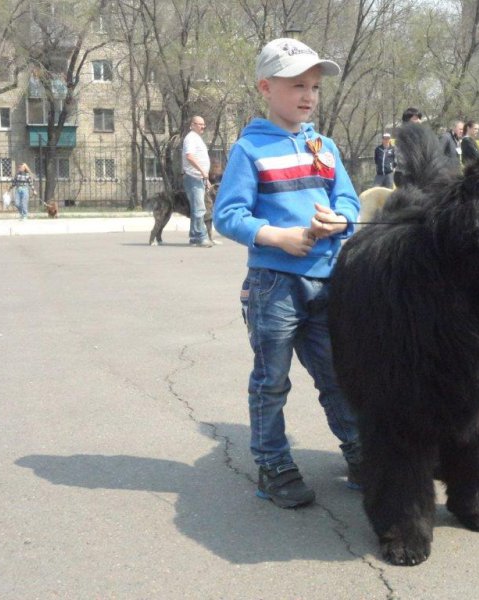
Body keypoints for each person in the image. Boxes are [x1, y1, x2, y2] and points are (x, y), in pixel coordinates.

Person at [213, 38, 362, 509]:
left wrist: (340, 220)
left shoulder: (324, 144)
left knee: (338, 374)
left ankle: (360, 451)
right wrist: (277, 236)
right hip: (273, 286)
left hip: (327, 280)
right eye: (297, 84)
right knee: (272, 380)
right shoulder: (249, 149)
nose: (309, 95)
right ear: (266, 86)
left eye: (315, 86)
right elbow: (228, 214)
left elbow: (349, 201)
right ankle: (273, 464)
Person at [182, 115, 213, 248]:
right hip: (193, 177)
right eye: (200, 124)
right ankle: (200, 237)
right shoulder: (190, 138)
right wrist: (202, 171)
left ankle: (195, 237)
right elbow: (189, 156)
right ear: (192, 124)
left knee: (198, 208)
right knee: (199, 208)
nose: (203, 127)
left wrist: (205, 177)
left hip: (199, 178)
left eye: (203, 124)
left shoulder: (196, 138)